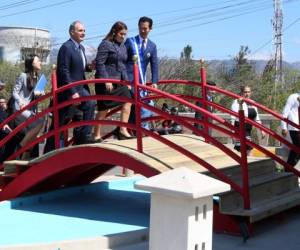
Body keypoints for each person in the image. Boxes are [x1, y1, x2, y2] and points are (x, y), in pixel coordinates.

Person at [46, 20, 95, 150]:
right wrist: (72, 91)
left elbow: (79, 68)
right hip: (68, 91)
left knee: (90, 104)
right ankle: (48, 152)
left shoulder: (81, 48)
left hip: (80, 88)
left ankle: (84, 136)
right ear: (71, 32)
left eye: (84, 30)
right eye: (80, 30)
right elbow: (63, 70)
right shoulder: (66, 47)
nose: (83, 33)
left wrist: (89, 67)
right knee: (59, 124)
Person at [94, 21, 133, 141]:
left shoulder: (123, 46)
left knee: (128, 99)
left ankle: (122, 129)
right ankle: (96, 135)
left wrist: (126, 81)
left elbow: (122, 65)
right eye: (121, 34)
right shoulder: (105, 44)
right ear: (114, 32)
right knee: (103, 109)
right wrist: (106, 80)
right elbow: (99, 63)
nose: (123, 36)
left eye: (125, 34)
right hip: (105, 82)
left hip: (118, 82)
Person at [125, 16, 159, 130]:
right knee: (142, 106)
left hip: (141, 82)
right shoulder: (130, 42)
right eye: (140, 28)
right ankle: (143, 131)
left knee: (148, 105)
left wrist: (154, 81)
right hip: (129, 81)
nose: (142, 31)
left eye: (145, 28)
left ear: (150, 29)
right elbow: (122, 60)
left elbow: (154, 65)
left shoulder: (152, 46)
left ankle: (140, 129)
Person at [11, 55, 45, 159]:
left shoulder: (39, 78)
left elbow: (37, 94)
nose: (40, 62)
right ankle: (20, 147)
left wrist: (41, 93)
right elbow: (15, 92)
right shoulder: (23, 75)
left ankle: (24, 156)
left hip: (29, 109)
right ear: (32, 63)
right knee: (40, 122)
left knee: (37, 129)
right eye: (38, 60)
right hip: (20, 108)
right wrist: (20, 102)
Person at [231, 85, 265, 153]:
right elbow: (233, 116)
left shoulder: (253, 102)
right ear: (242, 93)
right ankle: (243, 163)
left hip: (248, 128)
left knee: (247, 149)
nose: (247, 94)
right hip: (239, 127)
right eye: (245, 92)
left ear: (251, 93)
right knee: (243, 148)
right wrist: (232, 129)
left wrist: (262, 130)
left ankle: (244, 163)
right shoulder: (236, 101)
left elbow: (257, 118)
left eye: (248, 92)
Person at [281, 92, 300, 166]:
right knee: (297, 147)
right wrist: (284, 127)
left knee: (296, 149)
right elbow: (285, 112)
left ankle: (289, 169)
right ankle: (289, 169)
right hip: (295, 128)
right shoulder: (293, 97)